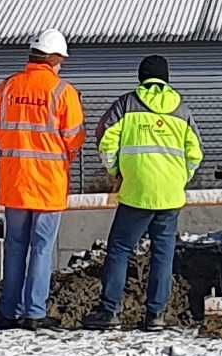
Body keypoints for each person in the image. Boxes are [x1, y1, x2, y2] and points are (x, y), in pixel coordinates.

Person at [86, 54, 202, 331]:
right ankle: (156, 315)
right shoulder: (182, 109)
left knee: (120, 249)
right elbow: (195, 153)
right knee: (163, 253)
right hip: (170, 194)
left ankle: (110, 311)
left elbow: (104, 139)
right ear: (166, 78)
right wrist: (180, 178)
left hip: (136, 191)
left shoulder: (126, 105)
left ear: (141, 77)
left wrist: (116, 172)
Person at [0, 28, 83, 328]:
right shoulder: (62, 92)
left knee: (14, 246)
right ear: (54, 58)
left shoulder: (6, 87)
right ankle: (35, 312)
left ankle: (9, 310)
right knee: (42, 248)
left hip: (15, 181)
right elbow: (74, 137)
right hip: (48, 184)